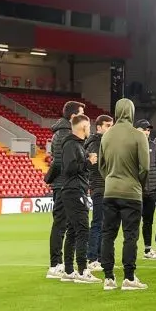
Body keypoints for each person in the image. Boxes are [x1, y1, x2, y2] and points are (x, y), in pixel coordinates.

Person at [99, 98, 150, 291]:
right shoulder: (138, 136)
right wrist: (139, 185)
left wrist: (111, 180)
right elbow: (144, 167)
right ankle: (129, 277)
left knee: (108, 235)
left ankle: (108, 278)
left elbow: (102, 167)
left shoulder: (106, 136)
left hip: (110, 191)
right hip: (131, 193)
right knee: (130, 236)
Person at [45, 100, 85, 279]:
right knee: (61, 224)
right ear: (73, 116)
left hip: (63, 184)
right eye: (81, 113)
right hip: (63, 184)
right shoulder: (64, 134)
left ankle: (63, 265)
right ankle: (55, 265)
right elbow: (60, 162)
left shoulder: (61, 133)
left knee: (66, 225)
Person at [59, 113, 99, 283]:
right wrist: (88, 162)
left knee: (73, 231)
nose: (89, 129)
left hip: (72, 191)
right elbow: (70, 168)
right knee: (83, 230)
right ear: (83, 127)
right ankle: (82, 271)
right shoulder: (72, 145)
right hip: (75, 191)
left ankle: (69, 270)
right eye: (88, 126)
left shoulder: (75, 145)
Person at [84, 114, 113, 270]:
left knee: (104, 223)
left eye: (111, 125)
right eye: (107, 125)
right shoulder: (96, 143)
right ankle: (92, 258)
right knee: (98, 223)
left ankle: (100, 257)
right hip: (100, 186)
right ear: (99, 127)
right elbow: (95, 165)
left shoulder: (103, 142)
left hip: (105, 187)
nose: (110, 128)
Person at [137, 119, 156, 261]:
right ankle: (131, 250)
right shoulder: (132, 145)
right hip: (136, 191)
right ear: (137, 130)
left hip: (151, 191)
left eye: (148, 129)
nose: (147, 132)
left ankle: (147, 249)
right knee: (133, 223)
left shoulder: (153, 145)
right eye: (144, 129)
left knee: (148, 221)